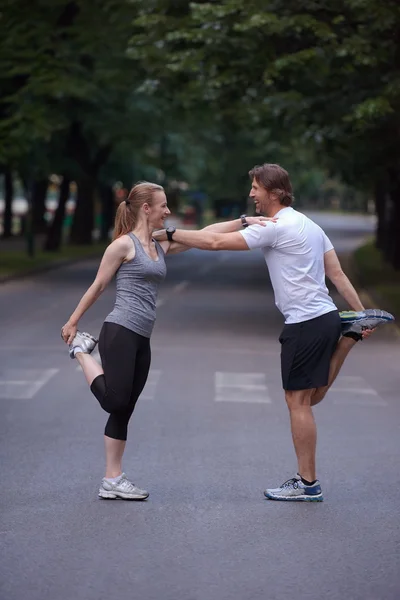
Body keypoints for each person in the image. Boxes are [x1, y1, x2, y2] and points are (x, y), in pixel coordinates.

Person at [154, 164, 394, 502]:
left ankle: (307, 483)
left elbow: (213, 242)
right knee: (310, 398)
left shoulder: (276, 227)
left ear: (275, 191)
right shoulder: (309, 225)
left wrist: (168, 233)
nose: (251, 194)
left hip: (305, 323)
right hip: (324, 317)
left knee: (298, 402)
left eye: (255, 188)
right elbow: (337, 273)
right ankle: (351, 333)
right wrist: (360, 312)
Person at [61, 181, 271, 500]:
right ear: (147, 208)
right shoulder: (122, 246)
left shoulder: (161, 243)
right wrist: (73, 321)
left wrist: (245, 221)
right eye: (163, 206)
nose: (168, 211)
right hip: (119, 331)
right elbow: (98, 285)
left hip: (142, 336)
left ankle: (112, 479)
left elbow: (206, 232)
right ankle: (81, 351)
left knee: (125, 409)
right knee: (115, 401)